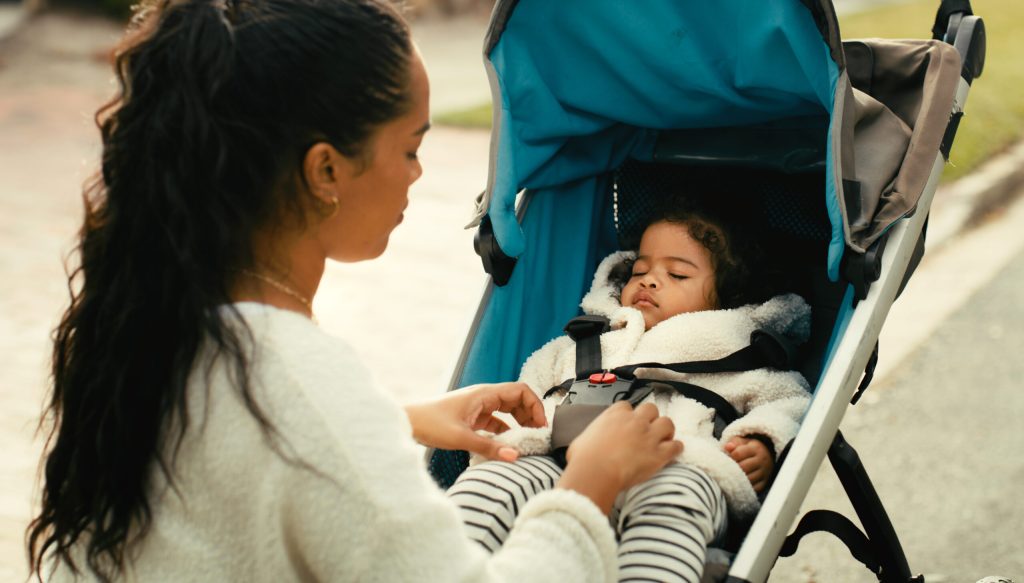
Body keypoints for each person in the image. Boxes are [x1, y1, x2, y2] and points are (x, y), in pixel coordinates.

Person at [26, 0, 685, 581]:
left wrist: (395, 421)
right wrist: (588, 486)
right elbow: (305, 414)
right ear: (326, 168)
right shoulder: (303, 384)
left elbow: (238, 450)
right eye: (409, 147)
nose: (419, 172)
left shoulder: (157, 322)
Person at [447, 203, 813, 582]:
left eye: (676, 274)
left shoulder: (739, 353)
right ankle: (439, 567)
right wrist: (509, 427)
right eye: (640, 270)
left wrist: (760, 440)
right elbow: (528, 390)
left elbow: (788, 400)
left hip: (676, 463)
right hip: (558, 457)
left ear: (730, 297)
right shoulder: (587, 343)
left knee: (677, 498)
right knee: (498, 481)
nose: (649, 280)